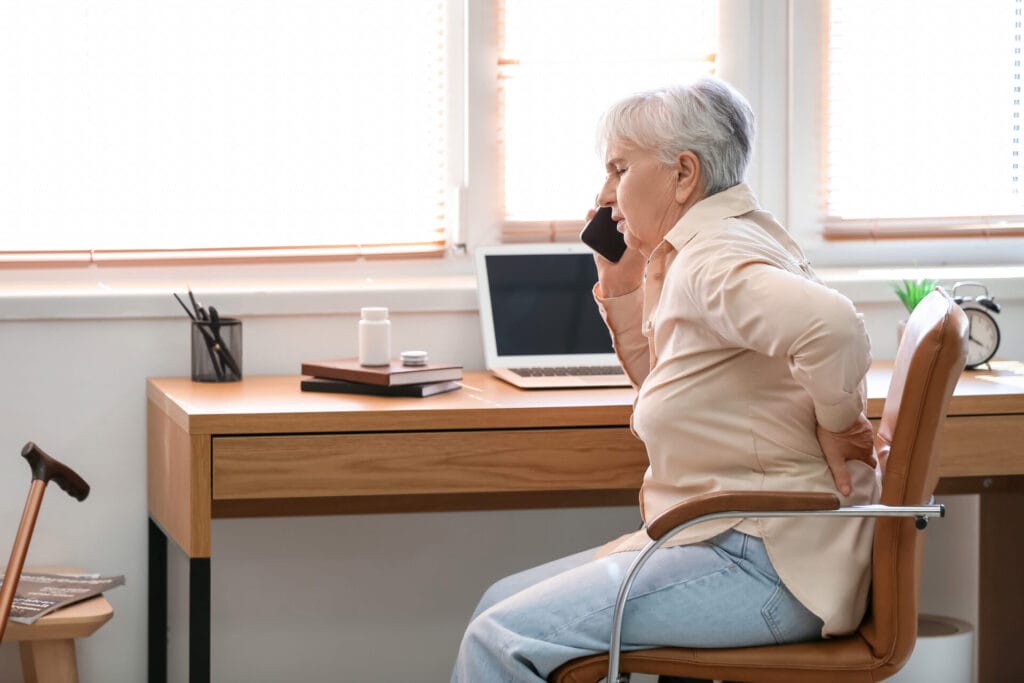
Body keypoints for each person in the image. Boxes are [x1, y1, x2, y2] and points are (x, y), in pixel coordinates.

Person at [451, 77, 878, 683]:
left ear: (683, 174)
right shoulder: (707, 247)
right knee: (500, 604)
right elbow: (664, 382)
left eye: (619, 169)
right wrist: (621, 284)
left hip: (765, 565)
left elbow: (832, 325)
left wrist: (842, 423)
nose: (605, 194)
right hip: (738, 543)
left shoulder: (711, 259)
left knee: (502, 637)